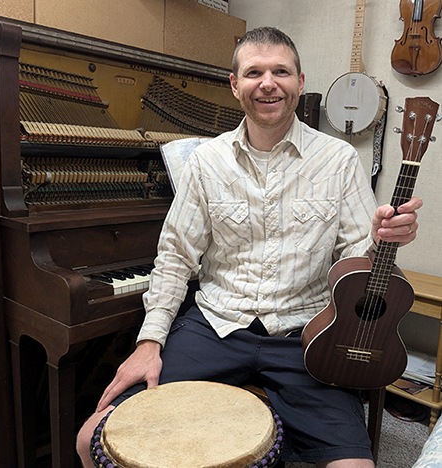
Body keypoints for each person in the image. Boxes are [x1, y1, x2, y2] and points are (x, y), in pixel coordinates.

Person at [77, 27, 422, 468]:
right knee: (91, 440)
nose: (268, 82)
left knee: (355, 466)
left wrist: (384, 241)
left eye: (281, 71)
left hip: (306, 334)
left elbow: (357, 265)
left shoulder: (339, 160)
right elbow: (176, 256)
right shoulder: (207, 162)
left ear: (299, 81)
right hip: (215, 327)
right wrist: (149, 341)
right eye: (254, 72)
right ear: (235, 84)